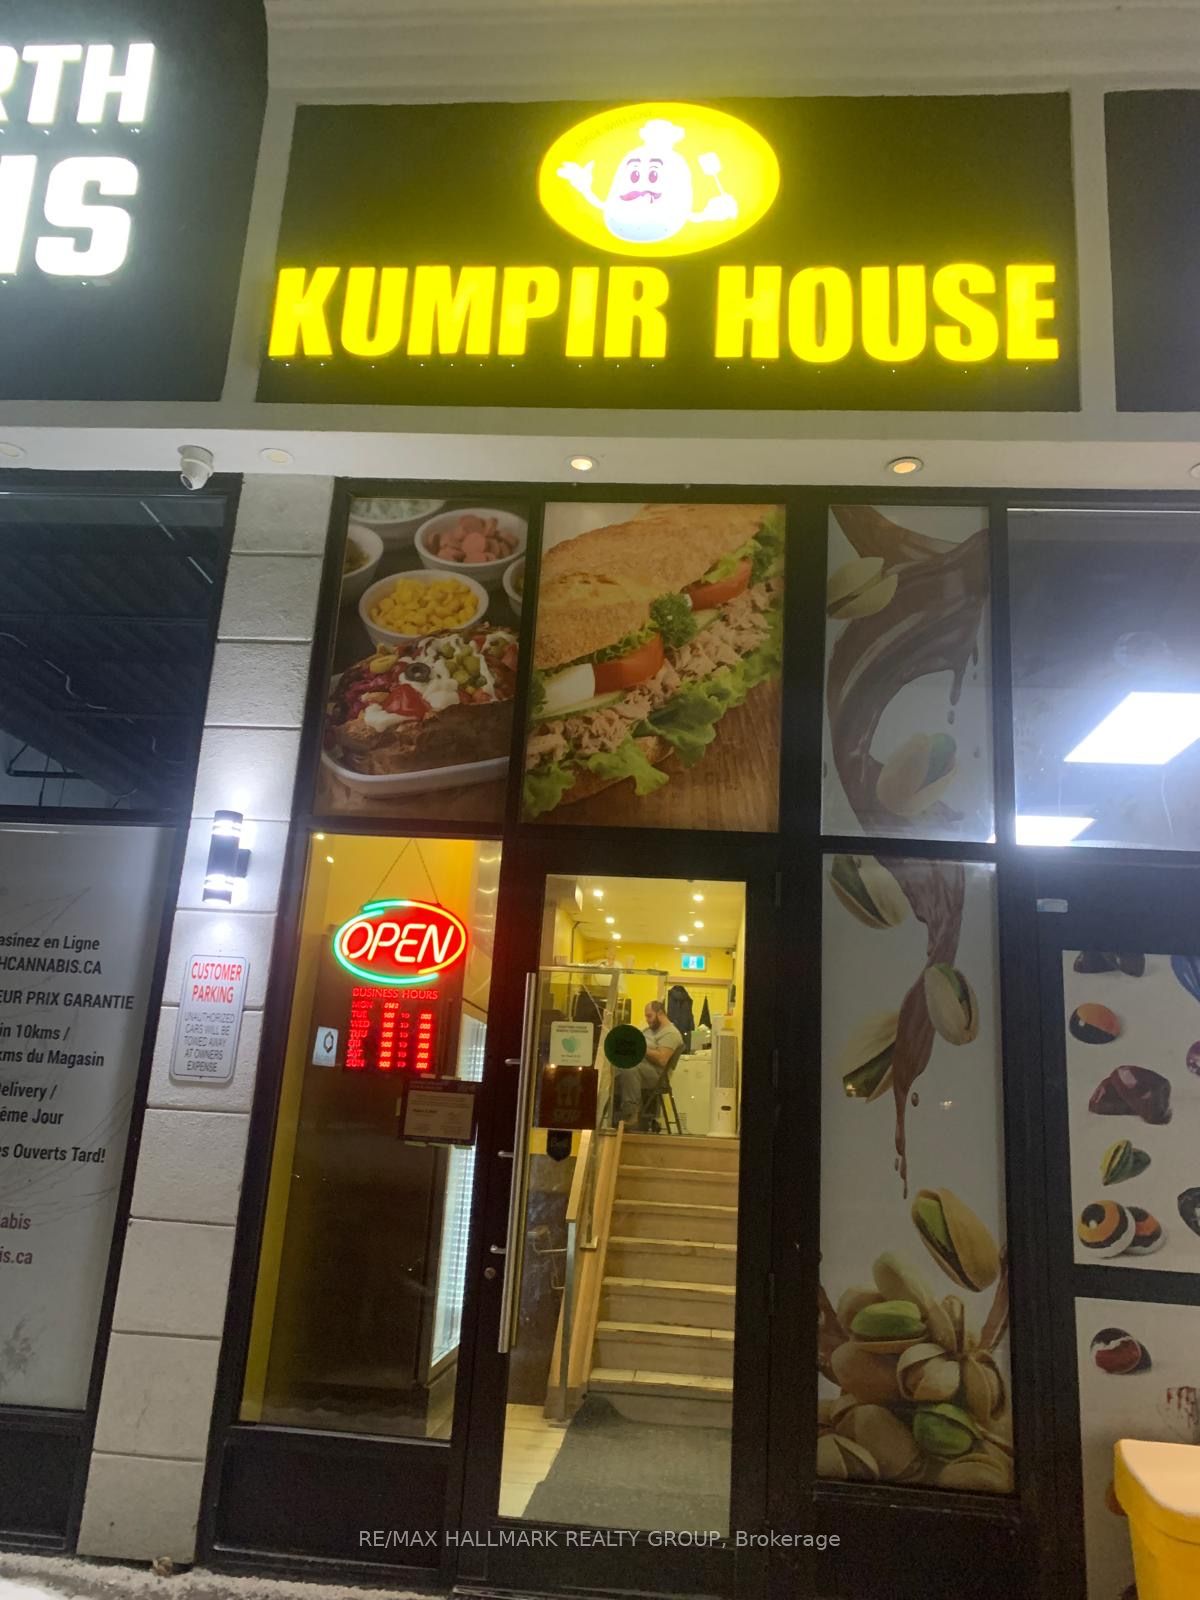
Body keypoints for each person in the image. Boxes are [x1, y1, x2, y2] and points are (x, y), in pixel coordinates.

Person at [612, 1001, 684, 1127]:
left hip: (657, 1074)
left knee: (628, 1068)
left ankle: (631, 1113)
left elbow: (662, 1059)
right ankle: (608, 1110)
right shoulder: (649, 1030)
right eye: (646, 1016)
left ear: (660, 1013)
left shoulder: (671, 1034)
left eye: (649, 1016)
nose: (647, 1020)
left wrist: (640, 1047)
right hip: (641, 1066)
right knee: (613, 1065)